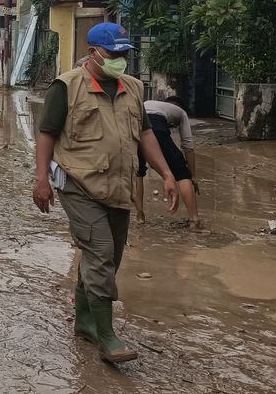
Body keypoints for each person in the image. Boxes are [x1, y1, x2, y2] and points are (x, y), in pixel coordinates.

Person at [33, 23, 178, 364]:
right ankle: (107, 336)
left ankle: (85, 320)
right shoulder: (67, 87)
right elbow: (46, 135)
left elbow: (144, 134)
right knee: (100, 252)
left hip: (118, 185)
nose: (120, 60)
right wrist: (41, 179)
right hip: (79, 184)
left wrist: (167, 173)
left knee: (111, 256)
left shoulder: (132, 88)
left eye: (124, 55)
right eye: (113, 54)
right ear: (94, 51)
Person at [135, 96, 199, 227]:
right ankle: (194, 220)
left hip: (134, 125)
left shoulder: (150, 104)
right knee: (182, 173)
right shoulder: (181, 113)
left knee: (138, 172)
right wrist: (192, 175)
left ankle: (140, 216)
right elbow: (188, 145)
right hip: (155, 126)